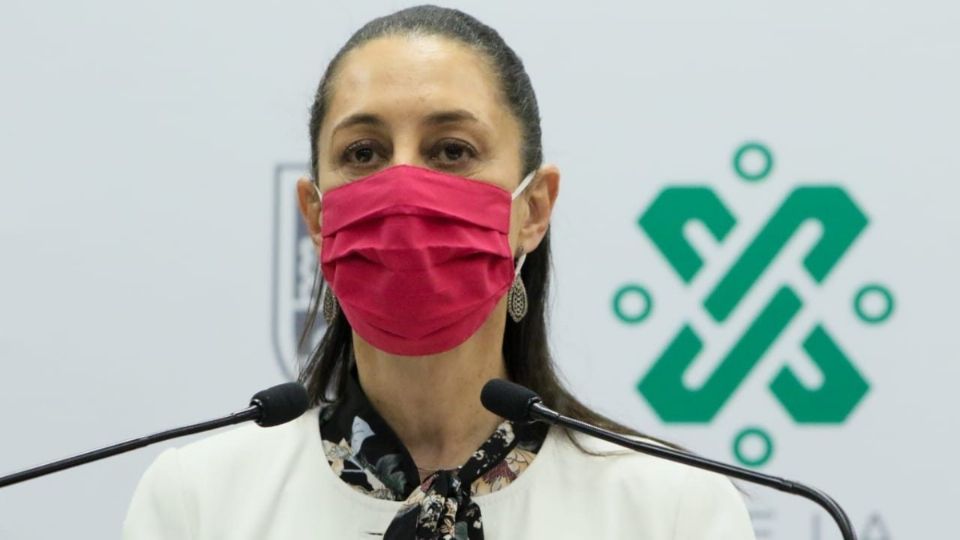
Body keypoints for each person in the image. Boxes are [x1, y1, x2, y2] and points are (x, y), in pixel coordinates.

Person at [123, 5, 756, 539]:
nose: (404, 188)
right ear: (317, 216)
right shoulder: (199, 503)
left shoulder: (671, 510)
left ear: (533, 210)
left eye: (452, 151)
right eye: (363, 153)